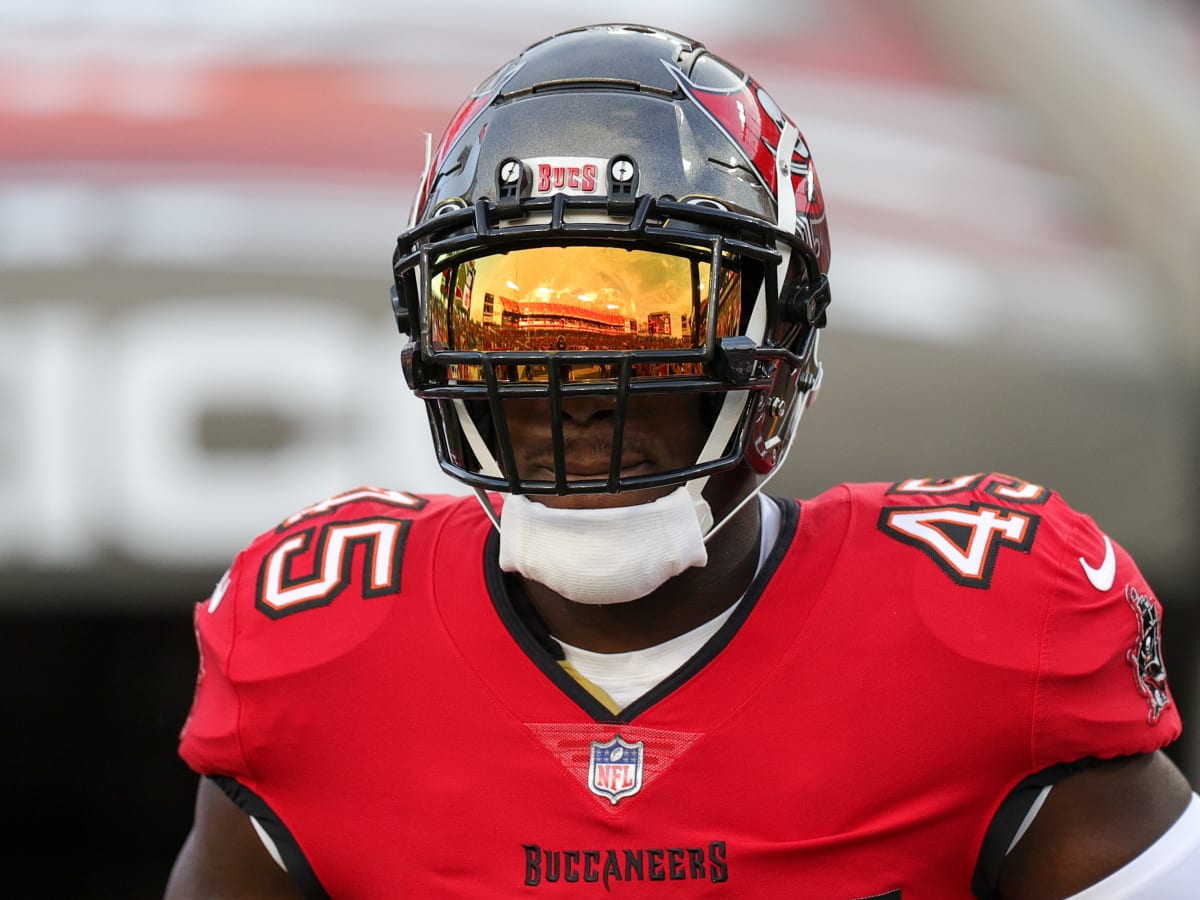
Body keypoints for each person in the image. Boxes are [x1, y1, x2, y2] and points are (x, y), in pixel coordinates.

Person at [165, 22, 1198, 899]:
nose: (580, 387)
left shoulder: (985, 627)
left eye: (650, 309)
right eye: (517, 318)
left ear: (781, 335)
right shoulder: (312, 649)